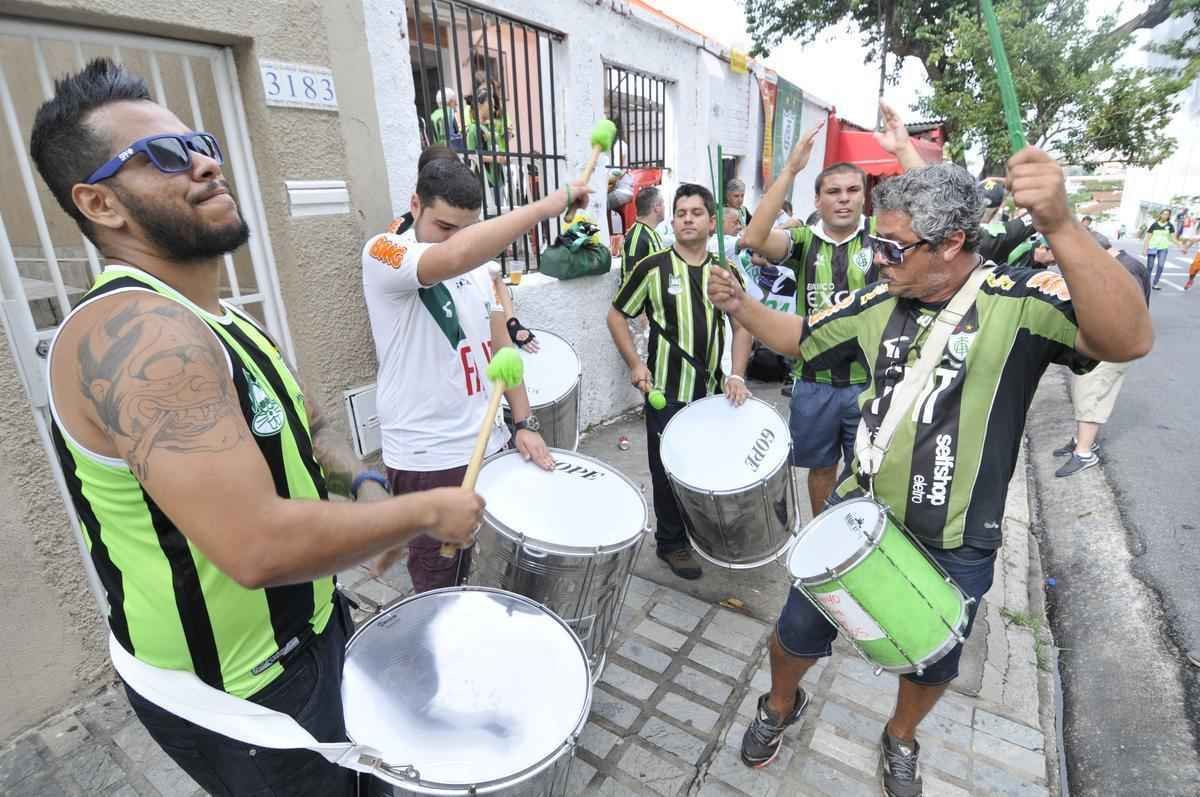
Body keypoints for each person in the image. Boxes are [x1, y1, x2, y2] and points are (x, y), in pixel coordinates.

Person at [30, 58, 484, 797]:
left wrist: (366, 481)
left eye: (200, 141)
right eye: (165, 156)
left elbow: (300, 423)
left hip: (306, 636)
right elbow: (257, 545)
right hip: (241, 692)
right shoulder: (138, 331)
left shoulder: (214, 316)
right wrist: (427, 508)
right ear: (100, 204)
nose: (207, 162)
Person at [708, 153, 1152, 795]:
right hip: (860, 521)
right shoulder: (877, 297)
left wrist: (1059, 222)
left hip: (959, 538)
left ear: (949, 245)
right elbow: (801, 336)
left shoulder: (1021, 303)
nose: (877, 259)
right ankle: (779, 705)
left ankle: (901, 736)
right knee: (796, 630)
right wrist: (743, 307)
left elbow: (1127, 339)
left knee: (933, 659)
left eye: (891, 247)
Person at [363, 158, 586, 589]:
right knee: (440, 584)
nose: (458, 239)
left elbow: (501, 349)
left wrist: (523, 422)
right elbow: (454, 255)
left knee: (497, 570)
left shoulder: (483, 272)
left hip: (491, 444)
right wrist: (547, 206)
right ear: (415, 205)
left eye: (468, 228)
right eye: (445, 226)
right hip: (429, 459)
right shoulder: (385, 253)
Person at [740, 100, 921, 519]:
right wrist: (790, 171)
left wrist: (903, 151)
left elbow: (935, 213)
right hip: (813, 381)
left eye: (852, 191)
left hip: (874, 381)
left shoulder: (883, 239)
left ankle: (865, 541)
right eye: (833, 192)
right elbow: (753, 237)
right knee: (821, 468)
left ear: (865, 197)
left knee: (874, 470)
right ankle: (823, 536)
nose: (843, 200)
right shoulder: (802, 241)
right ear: (818, 200)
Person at [607, 184, 754, 581]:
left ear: (711, 221)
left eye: (696, 212)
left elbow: (743, 326)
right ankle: (671, 543)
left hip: (711, 392)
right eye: (681, 212)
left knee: (705, 467)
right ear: (672, 219)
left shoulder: (725, 271)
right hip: (666, 393)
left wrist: (736, 374)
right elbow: (617, 315)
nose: (687, 218)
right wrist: (636, 365)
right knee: (667, 469)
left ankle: (704, 532)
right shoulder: (653, 267)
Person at [386, 145, 538, 351]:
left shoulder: (468, 226)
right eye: (444, 227)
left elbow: (492, 277)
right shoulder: (399, 236)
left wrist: (510, 321)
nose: (457, 236)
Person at [1048, 231, 1151, 476]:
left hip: (1113, 345)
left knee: (1090, 393)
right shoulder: (1124, 263)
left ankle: (1084, 453)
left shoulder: (1124, 270)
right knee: (1094, 393)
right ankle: (1083, 440)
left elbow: (1123, 311)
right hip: (1113, 343)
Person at [465, 89, 509, 210]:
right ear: (479, 105)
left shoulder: (492, 127)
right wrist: (495, 158)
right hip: (485, 180)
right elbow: (472, 155)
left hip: (498, 178)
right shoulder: (473, 129)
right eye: (490, 103)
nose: (494, 107)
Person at [621, 186, 665, 281]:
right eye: (663, 203)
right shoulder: (636, 238)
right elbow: (631, 280)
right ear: (656, 207)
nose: (665, 207)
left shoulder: (653, 233)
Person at [1144, 209, 1180, 290]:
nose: (1165, 216)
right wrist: (1145, 249)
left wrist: (1180, 245)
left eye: (1167, 214)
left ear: (1169, 216)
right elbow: (1148, 238)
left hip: (1163, 248)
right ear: (1160, 215)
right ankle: (1146, 283)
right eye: (1163, 214)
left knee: (1160, 266)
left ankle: (1155, 284)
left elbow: (1173, 238)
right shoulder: (1154, 225)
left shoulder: (1170, 226)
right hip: (1152, 247)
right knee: (1149, 267)